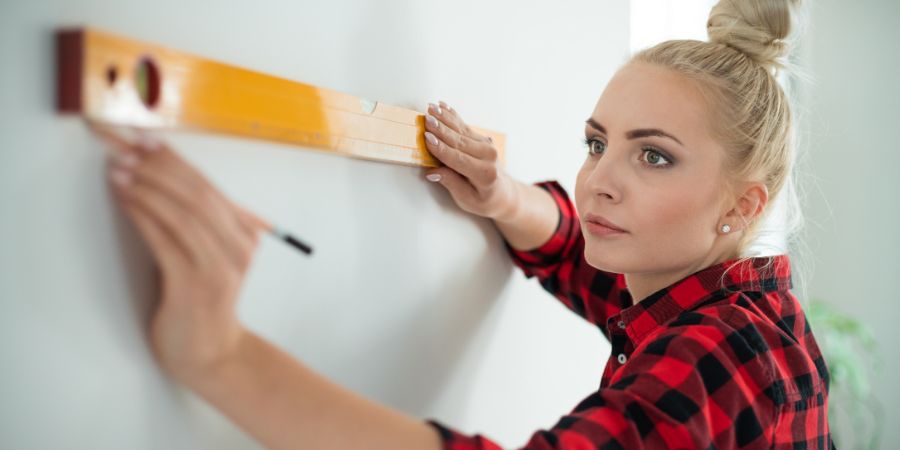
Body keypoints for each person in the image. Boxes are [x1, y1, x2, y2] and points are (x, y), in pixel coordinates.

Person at [93, 0, 834, 447]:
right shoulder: (725, 296)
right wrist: (503, 197)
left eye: (656, 158)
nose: (599, 181)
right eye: (596, 143)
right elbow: (583, 257)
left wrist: (219, 358)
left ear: (742, 204)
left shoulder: (728, 354)